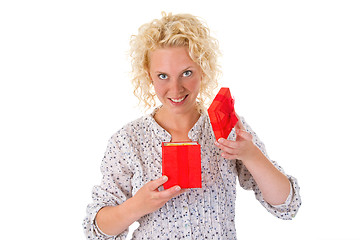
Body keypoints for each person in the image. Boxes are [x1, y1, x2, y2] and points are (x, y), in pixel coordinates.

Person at [83, 12, 301, 239]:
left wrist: (251, 154)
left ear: (203, 69)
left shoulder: (228, 128)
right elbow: (96, 231)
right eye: (163, 76)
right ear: (149, 76)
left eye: (186, 73)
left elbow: (287, 205)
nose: (176, 89)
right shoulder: (128, 140)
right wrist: (136, 206)